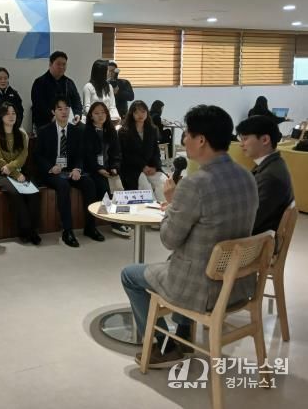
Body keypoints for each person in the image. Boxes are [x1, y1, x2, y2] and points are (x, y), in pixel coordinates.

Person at [121, 105, 259, 368]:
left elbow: (168, 239)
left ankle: (164, 346)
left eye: (187, 134)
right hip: (238, 283)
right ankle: (183, 335)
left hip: (202, 288)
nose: (184, 140)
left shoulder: (195, 184)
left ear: (201, 140)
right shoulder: (247, 177)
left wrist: (172, 203)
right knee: (183, 258)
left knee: (130, 275)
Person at [34, 96, 104, 248]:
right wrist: (50, 167)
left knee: (89, 183)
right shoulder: (44, 131)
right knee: (63, 185)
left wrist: (77, 169)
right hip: (52, 172)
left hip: (70, 171)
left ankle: (90, 227)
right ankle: (68, 230)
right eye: (60, 109)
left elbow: (80, 155)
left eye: (66, 108)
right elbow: (38, 155)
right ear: (53, 111)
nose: (64, 112)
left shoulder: (77, 131)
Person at [0, 102, 41, 245]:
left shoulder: (21, 134)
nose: (11, 116)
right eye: (7, 113)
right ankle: (24, 231)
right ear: (1, 116)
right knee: (15, 193)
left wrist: (12, 169)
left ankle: (34, 230)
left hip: (20, 172)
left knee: (34, 192)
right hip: (0, 174)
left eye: (13, 113)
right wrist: (15, 174)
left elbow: (23, 156)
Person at [236, 115, 294, 238]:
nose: (241, 144)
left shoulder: (270, 177)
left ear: (265, 140)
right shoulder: (274, 163)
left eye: (245, 139)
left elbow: (249, 222)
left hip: (254, 243)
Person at [83, 101, 131, 238]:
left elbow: (116, 153)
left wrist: (115, 167)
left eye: (103, 112)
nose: (100, 115)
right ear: (91, 116)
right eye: (96, 113)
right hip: (92, 169)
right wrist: (98, 169)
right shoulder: (86, 131)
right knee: (103, 187)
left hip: (108, 168)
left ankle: (120, 220)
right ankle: (109, 224)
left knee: (120, 187)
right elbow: (87, 155)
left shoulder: (111, 130)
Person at [119, 100, 167, 202]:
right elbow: (127, 155)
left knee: (164, 181)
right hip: (132, 168)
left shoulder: (152, 129)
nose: (140, 115)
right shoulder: (124, 131)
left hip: (150, 167)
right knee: (145, 186)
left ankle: (164, 208)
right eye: (136, 112)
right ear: (131, 114)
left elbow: (156, 152)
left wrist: (155, 167)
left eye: (143, 111)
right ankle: (151, 209)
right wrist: (142, 166)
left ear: (147, 113)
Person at [31, 51, 83, 130]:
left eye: (64, 64)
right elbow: (39, 105)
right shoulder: (40, 82)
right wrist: (52, 116)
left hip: (68, 120)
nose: (61, 67)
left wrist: (77, 114)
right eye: (58, 64)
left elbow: (77, 101)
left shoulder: (69, 82)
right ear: (50, 64)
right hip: (47, 121)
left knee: (84, 129)